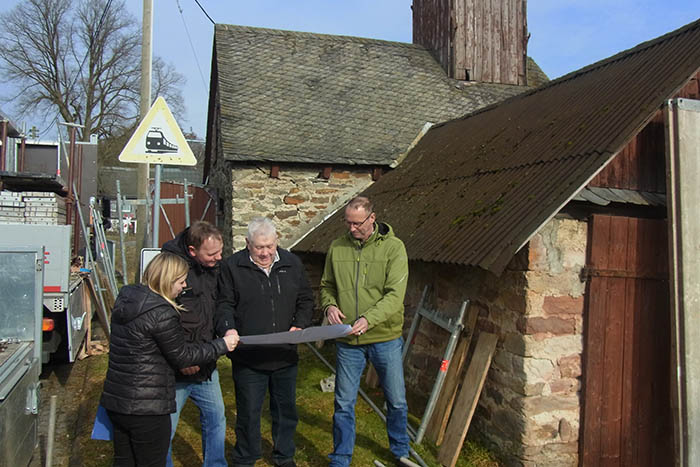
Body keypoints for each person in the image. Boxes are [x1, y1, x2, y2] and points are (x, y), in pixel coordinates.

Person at [100, 252, 239, 467]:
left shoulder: (127, 299)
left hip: (117, 401)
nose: (184, 287)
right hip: (147, 408)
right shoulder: (162, 313)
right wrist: (222, 345)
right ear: (167, 280)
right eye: (181, 281)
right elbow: (183, 356)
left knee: (124, 461)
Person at [320, 196, 410, 466]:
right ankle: (341, 457)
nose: (351, 229)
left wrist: (369, 320)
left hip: (385, 338)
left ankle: (400, 451)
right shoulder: (337, 247)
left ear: (372, 218)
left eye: (357, 223)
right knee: (344, 403)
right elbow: (326, 286)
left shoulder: (394, 248)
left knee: (396, 400)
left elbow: (395, 296)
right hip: (349, 340)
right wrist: (330, 307)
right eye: (348, 222)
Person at [216, 217, 314, 467]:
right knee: (248, 413)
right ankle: (246, 457)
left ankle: (284, 456)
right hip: (249, 358)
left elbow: (305, 300)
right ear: (248, 244)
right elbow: (224, 304)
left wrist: (300, 325)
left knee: (285, 411)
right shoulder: (232, 267)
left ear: (277, 240)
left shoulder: (292, 263)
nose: (265, 252)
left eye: (270, 246)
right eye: (259, 247)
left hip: (284, 354)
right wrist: (228, 329)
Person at [161, 221, 235, 467]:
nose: (218, 258)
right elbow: (163, 321)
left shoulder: (216, 269)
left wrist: (226, 328)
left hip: (206, 364)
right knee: (164, 429)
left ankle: (215, 464)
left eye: (220, 252)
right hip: (176, 369)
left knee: (216, 419)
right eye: (211, 254)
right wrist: (181, 360)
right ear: (192, 251)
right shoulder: (170, 269)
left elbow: (221, 304)